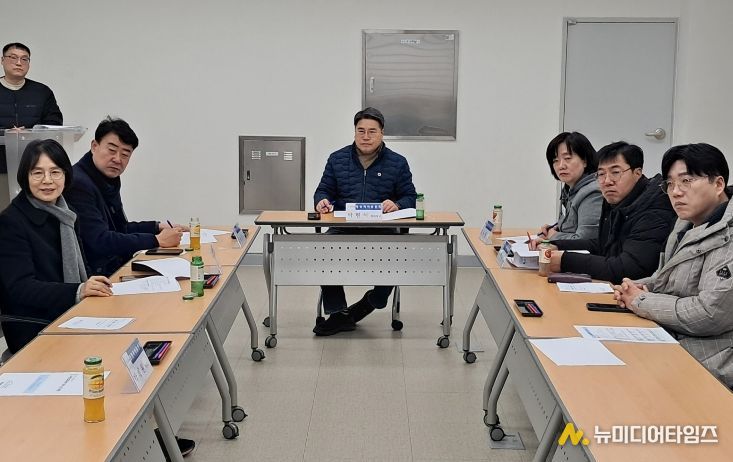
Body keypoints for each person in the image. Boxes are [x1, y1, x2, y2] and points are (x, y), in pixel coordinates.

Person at [615, 143, 733, 388]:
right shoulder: (685, 224)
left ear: (718, 184)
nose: (675, 192)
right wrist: (637, 287)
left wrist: (641, 300)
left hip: (713, 361)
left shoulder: (728, 236)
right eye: (670, 184)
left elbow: (710, 313)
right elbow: (665, 277)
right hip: (675, 340)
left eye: (686, 181)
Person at [312, 107, 417, 336]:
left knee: (397, 254)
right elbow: (323, 190)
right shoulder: (337, 159)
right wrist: (321, 201)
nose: (366, 136)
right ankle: (339, 314)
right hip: (343, 228)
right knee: (322, 249)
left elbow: (410, 197)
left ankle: (374, 301)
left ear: (382, 133)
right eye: (361, 131)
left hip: (383, 229)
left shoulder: (398, 163)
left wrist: (397, 204)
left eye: (372, 131)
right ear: (354, 132)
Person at [0, 139, 112, 354]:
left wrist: (94, 285)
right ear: (25, 177)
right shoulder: (11, 222)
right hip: (34, 326)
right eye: (37, 173)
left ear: (66, 175)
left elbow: (84, 267)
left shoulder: (67, 214)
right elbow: (20, 289)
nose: (47, 180)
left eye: (55, 172)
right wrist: (78, 291)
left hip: (71, 314)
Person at [65, 117, 184, 277]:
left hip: (115, 266)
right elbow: (99, 241)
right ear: (94, 146)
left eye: (125, 154)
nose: (117, 159)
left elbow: (120, 228)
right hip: (97, 278)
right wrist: (157, 240)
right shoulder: (78, 183)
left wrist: (157, 227)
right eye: (112, 150)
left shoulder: (107, 179)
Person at [547, 141, 677, 283]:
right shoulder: (618, 199)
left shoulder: (654, 209)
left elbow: (629, 269)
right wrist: (557, 245)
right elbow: (604, 245)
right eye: (601, 174)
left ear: (637, 173)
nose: (607, 181)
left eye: (615, 172)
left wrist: (565, 261)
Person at [0, 43, 63, 174]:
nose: (19, 63)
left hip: (34, 163)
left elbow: (54, 123)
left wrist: (30, 133)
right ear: (2, 60)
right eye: (13, 57)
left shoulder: (42, 91)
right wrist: (6, 133)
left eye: (24, 59)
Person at [534, 131, 602, 241]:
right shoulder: (568, 189)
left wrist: (553, 236)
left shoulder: (593, 192)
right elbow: (572, 226)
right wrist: (555, 228)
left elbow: (585, 240)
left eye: (568, 158)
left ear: (585, 161)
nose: (561, 166)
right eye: (555, 160)